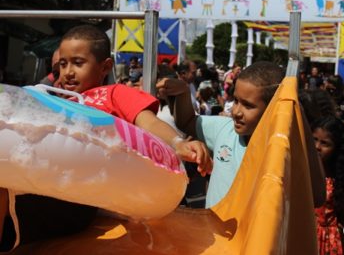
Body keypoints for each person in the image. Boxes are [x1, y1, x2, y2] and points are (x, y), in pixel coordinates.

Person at [0, 25, 212, 251]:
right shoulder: (52, 101)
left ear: (105, 66)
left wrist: (178, 143)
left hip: (74, 195)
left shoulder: (113, 94)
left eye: (78, 63)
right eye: (62, 64)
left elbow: (147, 122)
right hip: (32, 182)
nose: (68, 72)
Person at [157, 61, 326, 209]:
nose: (236, 111)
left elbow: (316, 197)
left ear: (274, 109)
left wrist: (297, 114)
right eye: (236, 100)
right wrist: (183, 92)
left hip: (252, 244)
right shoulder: (225, 129)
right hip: (213, 238)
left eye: (248, 106)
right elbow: (187, 121)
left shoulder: (284, 149)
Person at [312, 116, 344, 254]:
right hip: (304, 235)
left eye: (325, 143)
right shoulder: (303, 171)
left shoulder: (341, 180)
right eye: (314, 139)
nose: (317, 147)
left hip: (330, 244)